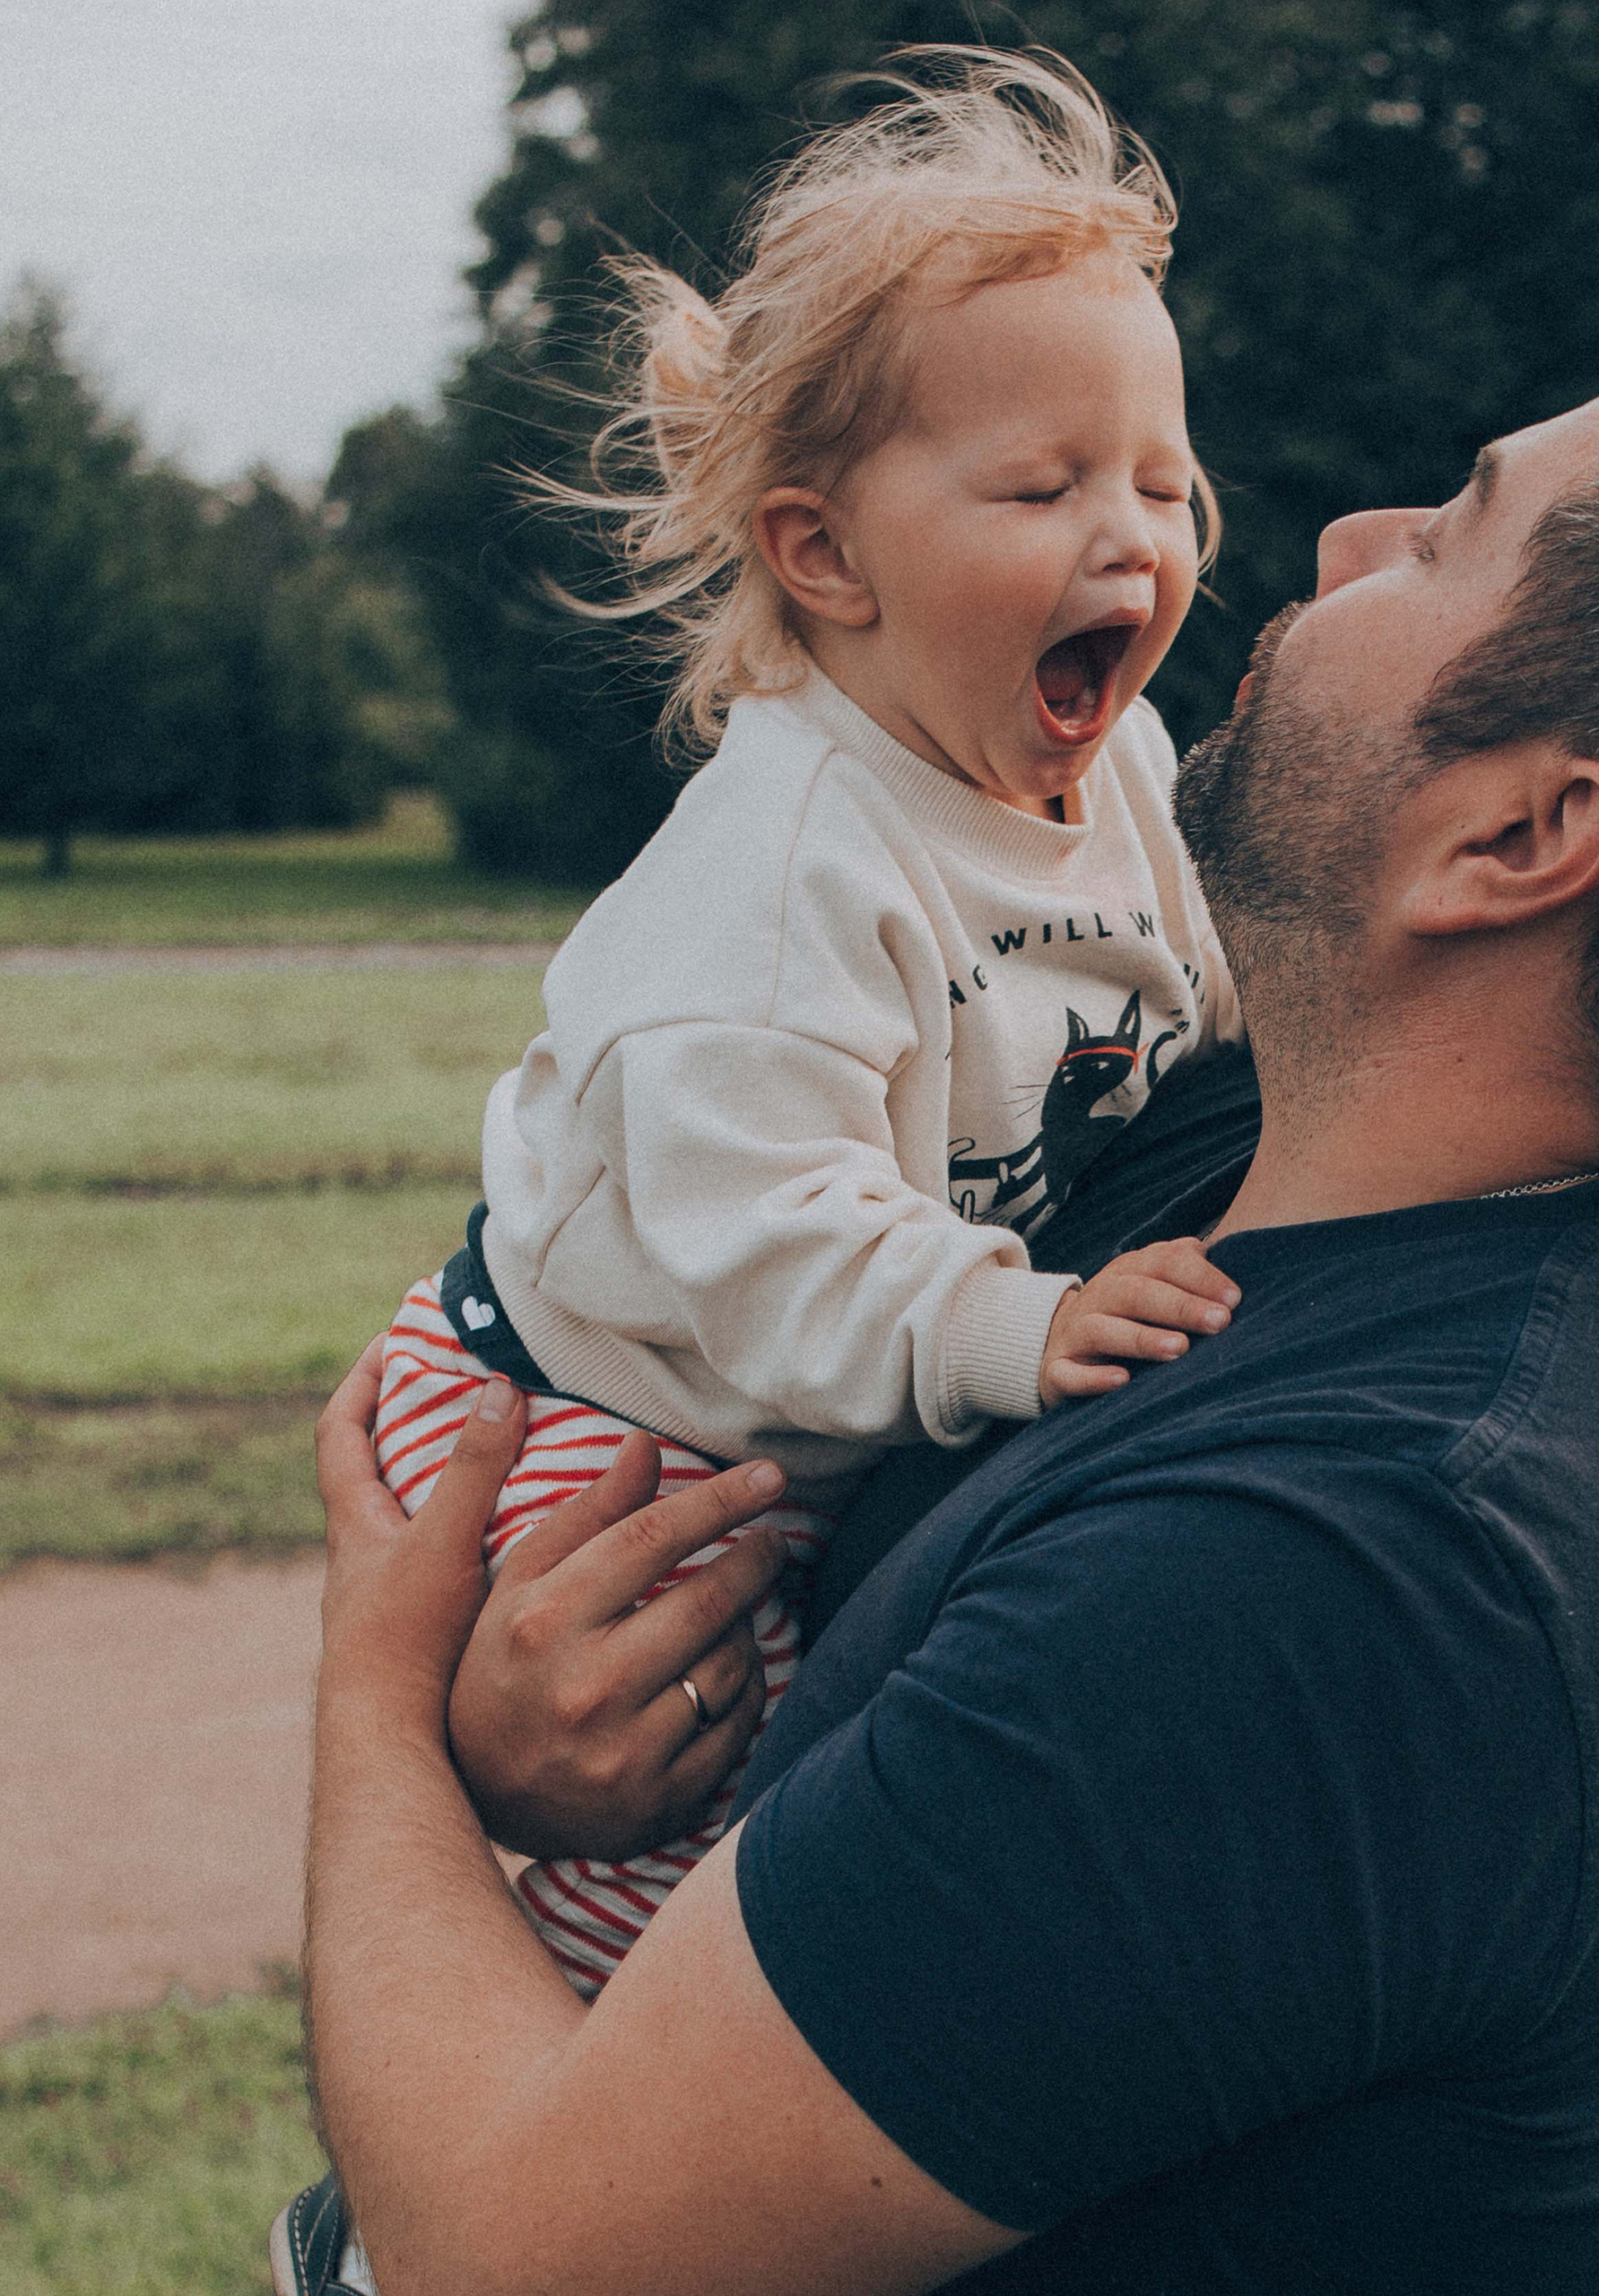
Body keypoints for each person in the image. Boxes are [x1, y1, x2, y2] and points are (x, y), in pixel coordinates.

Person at [292, 368, 1599, 2296]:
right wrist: (555, 1740)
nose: (1327, 545)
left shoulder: (1361, 1579)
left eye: (1447, 534)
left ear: (1514, 837)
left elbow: (509, 2256)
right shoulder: (1324, 1159)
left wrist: (380, 1695)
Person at [368, 48, 1244, 2004]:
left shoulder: (1120, 765)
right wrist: (1003, 1319)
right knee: (696, 1841)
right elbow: (753, 1230)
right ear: (823, 555)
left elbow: (1202, 1005)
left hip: (780, 1396)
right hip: (591, 1406)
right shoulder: (779, 872)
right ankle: (467, 2188)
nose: (1133, 540)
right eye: (1042, 485)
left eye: (1166, 484)